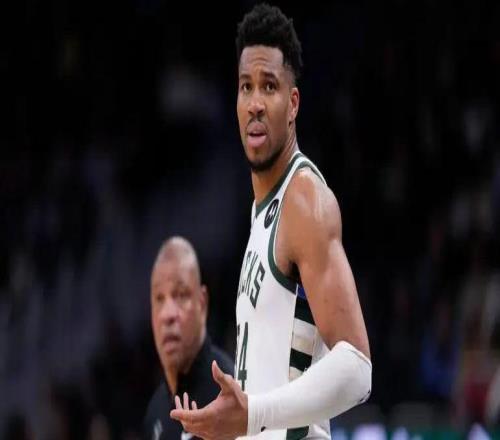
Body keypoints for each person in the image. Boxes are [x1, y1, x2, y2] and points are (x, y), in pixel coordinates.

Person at [170, 4, 372, 439]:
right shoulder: (263, 210)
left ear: (292, 103)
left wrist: (251, 413)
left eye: (269, 86)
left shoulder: (304, 199)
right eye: (246, 87)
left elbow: (358, 368)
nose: (256, 104)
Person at [143, 236, 234, 440]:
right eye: (159, 298)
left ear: (202, 304)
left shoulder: (230, 394)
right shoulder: (154, 413)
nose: (168, 314)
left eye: (181, 295)